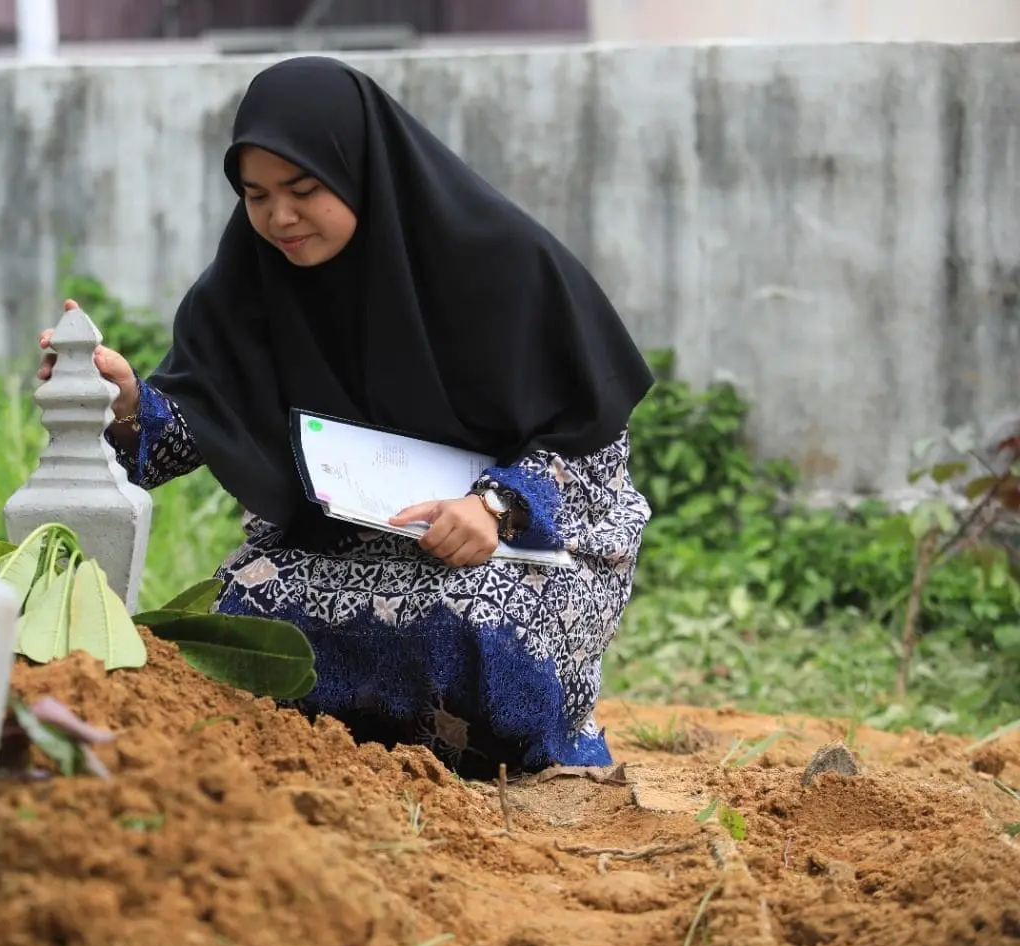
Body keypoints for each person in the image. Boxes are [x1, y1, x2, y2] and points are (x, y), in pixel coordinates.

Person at [37, 55, 655, 777]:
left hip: (516, 547)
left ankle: (512, 746)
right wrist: (127, 401)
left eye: (303, 189)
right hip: (347, 542)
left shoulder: (502, 266)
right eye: (256, 195)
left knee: (477, 620)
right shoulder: (250, 288)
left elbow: (592, 435)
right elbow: (200, 420)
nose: (279, 218)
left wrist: (495, 505)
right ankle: (349, 749)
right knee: (242, 619)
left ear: (362, 169)